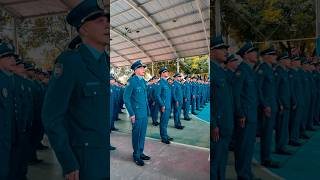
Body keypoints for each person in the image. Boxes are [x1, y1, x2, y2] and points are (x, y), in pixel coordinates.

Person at [41, 0, 110, 179]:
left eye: (107, 20)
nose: (107, 24)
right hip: (84, 160)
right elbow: (52, 116)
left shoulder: (107, 62)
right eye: (99, 21)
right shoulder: (70, 62)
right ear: (83, 29)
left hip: (105, 154)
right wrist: (68, 161)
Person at [234, 42, 260, 180]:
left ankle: (247, 173)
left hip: (251, 115)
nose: (256, 54)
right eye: (253, 52)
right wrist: (240, 113)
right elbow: (237, 94)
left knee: (249, 147)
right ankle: (243, 175)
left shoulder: (249, 70)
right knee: (243, 147)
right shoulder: (241, 71)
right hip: (245, 116)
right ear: (245, 55)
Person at [210, 35, 234, 180]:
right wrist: (213, 124)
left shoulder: (220, 71)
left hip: (225, 124)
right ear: (212, 51)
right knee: (215, 162)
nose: (226, 52)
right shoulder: (212, 70)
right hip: (217, 126)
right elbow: (211, 101)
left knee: (222, 160)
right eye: (222, 49)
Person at [256, 46, 280, 168]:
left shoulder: (270, 69)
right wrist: (265, 105)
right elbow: (259, 89)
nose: (275, 57)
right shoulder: (262, 69)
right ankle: (265, 158)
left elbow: (273, 90)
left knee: (269, 133)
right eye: (273, 55)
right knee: (266, 134)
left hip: (272, 105)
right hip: (267, 108)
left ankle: (267, 156)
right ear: (266, 56)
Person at [123, 60, 150, 166]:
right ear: (136, 70)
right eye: (142, 68)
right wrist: (131, 113)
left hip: (144, 112)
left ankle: (141, 152)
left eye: (144, 68)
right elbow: (126, 98)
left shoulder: (143, 81)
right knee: (137, 134)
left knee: (142, 134)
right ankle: (136, 155)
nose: (144, 69)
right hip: (137, 114)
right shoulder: (132, 81)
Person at [274, 52, 292, 155]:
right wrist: (279, 103)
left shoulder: (284, 72)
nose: (289, 62)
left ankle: (283, 146)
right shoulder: (278, 72)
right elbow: (275, 89)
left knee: (284, 127)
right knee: (281, 127)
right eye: (288, 59)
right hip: (282, 104)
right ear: (282, 60)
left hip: (286, 103)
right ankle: (280, 147)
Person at [156, 67, 173, 144]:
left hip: (168, 105)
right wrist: (162, 105)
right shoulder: (160, 83)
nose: (167, 73)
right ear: (162, 73)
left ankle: (165, 134)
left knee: (166, 122)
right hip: (164, 106)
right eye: (166, 72)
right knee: (163, 122)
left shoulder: (166, 83)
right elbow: (157, 95)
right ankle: (164, 137)